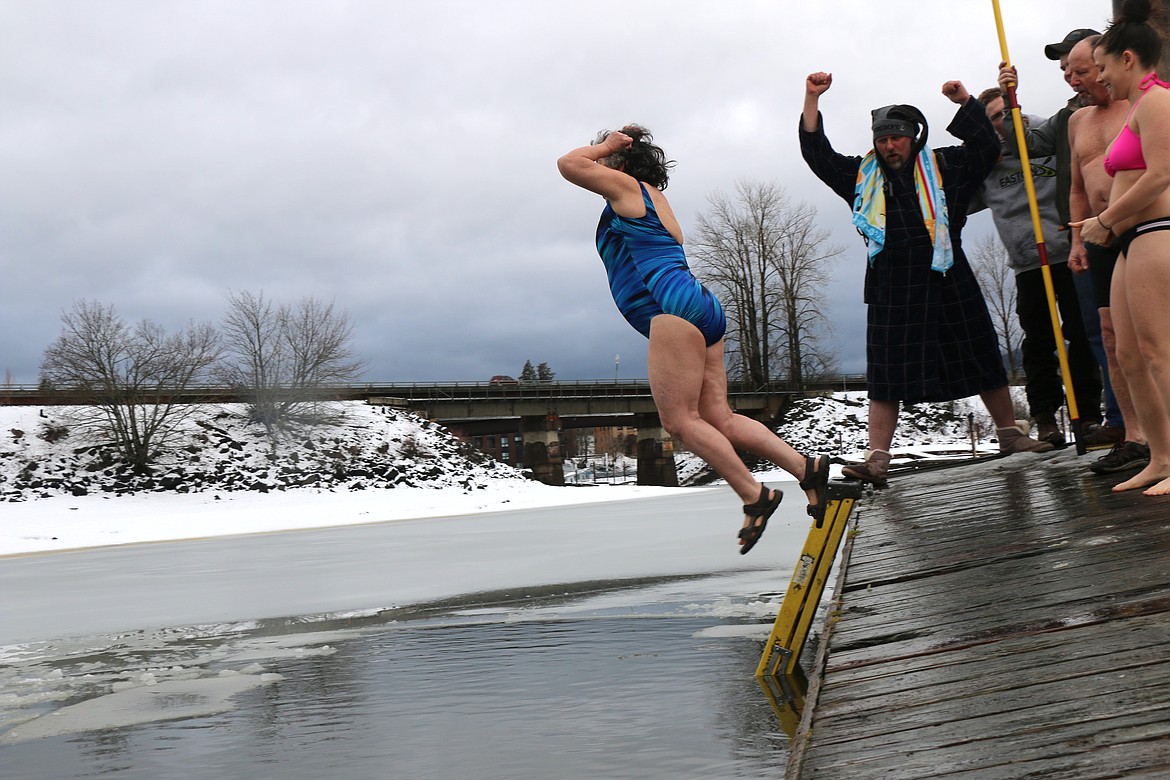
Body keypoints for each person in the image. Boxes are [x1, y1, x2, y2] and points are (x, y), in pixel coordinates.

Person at [557, 125, 830, 551]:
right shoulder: (653, 198)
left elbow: (569, 164)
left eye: (607, 158)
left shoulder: (626, 188)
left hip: (673, 309)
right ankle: (805, 468)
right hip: (702, 305)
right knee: (718, 416)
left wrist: (607, 146)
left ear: (620, 164)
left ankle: (754, 495)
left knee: (679, 420)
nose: (600, 163)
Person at [800, 73, 1052, 487]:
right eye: (882, 140)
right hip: (891, 284)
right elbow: (818, 156)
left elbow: (987, 147)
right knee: (885, 374)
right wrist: (812, 98)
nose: (889, 146)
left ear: (912, 137)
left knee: (982, 353)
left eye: (896, 138)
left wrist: (964, 100)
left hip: (947, 273)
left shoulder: (946, 166)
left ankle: (1009, 435)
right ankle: (877, 459)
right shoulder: (861, 176)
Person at [1001, 31, 1151, 472]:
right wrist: (1079, 238)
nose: (1072, 78)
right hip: (1095, 237)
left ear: (1109, 61)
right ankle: (1132, 433)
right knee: (1105, 334)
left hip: (1146, 227)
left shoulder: (1147, 101)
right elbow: (1073, 180)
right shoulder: (1072, 121)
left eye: (1081, 69)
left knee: (1153, 333)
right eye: (1066, 71)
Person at [1073, 0, 1170, 495]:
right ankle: (1160, 456)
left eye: (1105, 67)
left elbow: (1161, 173)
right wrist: (1106, 226)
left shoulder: (1157, 101)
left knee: (1159, 350)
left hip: (1158, 234)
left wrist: (1106, 218)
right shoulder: (1138, 107)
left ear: (1128, 59)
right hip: (1128, 239)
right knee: (1129, 355)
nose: (1102, 78)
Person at [970, 86, 1102, 447]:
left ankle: (1089, 415)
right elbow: (961, 200)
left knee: (1082, 332)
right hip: (1028, 263)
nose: (1001, 124)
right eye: (993, 119)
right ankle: (1044, 416)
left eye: (1004, 114)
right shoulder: (987, 159)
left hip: (1070, 252)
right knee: (1039, 340)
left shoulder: (1049, 135)